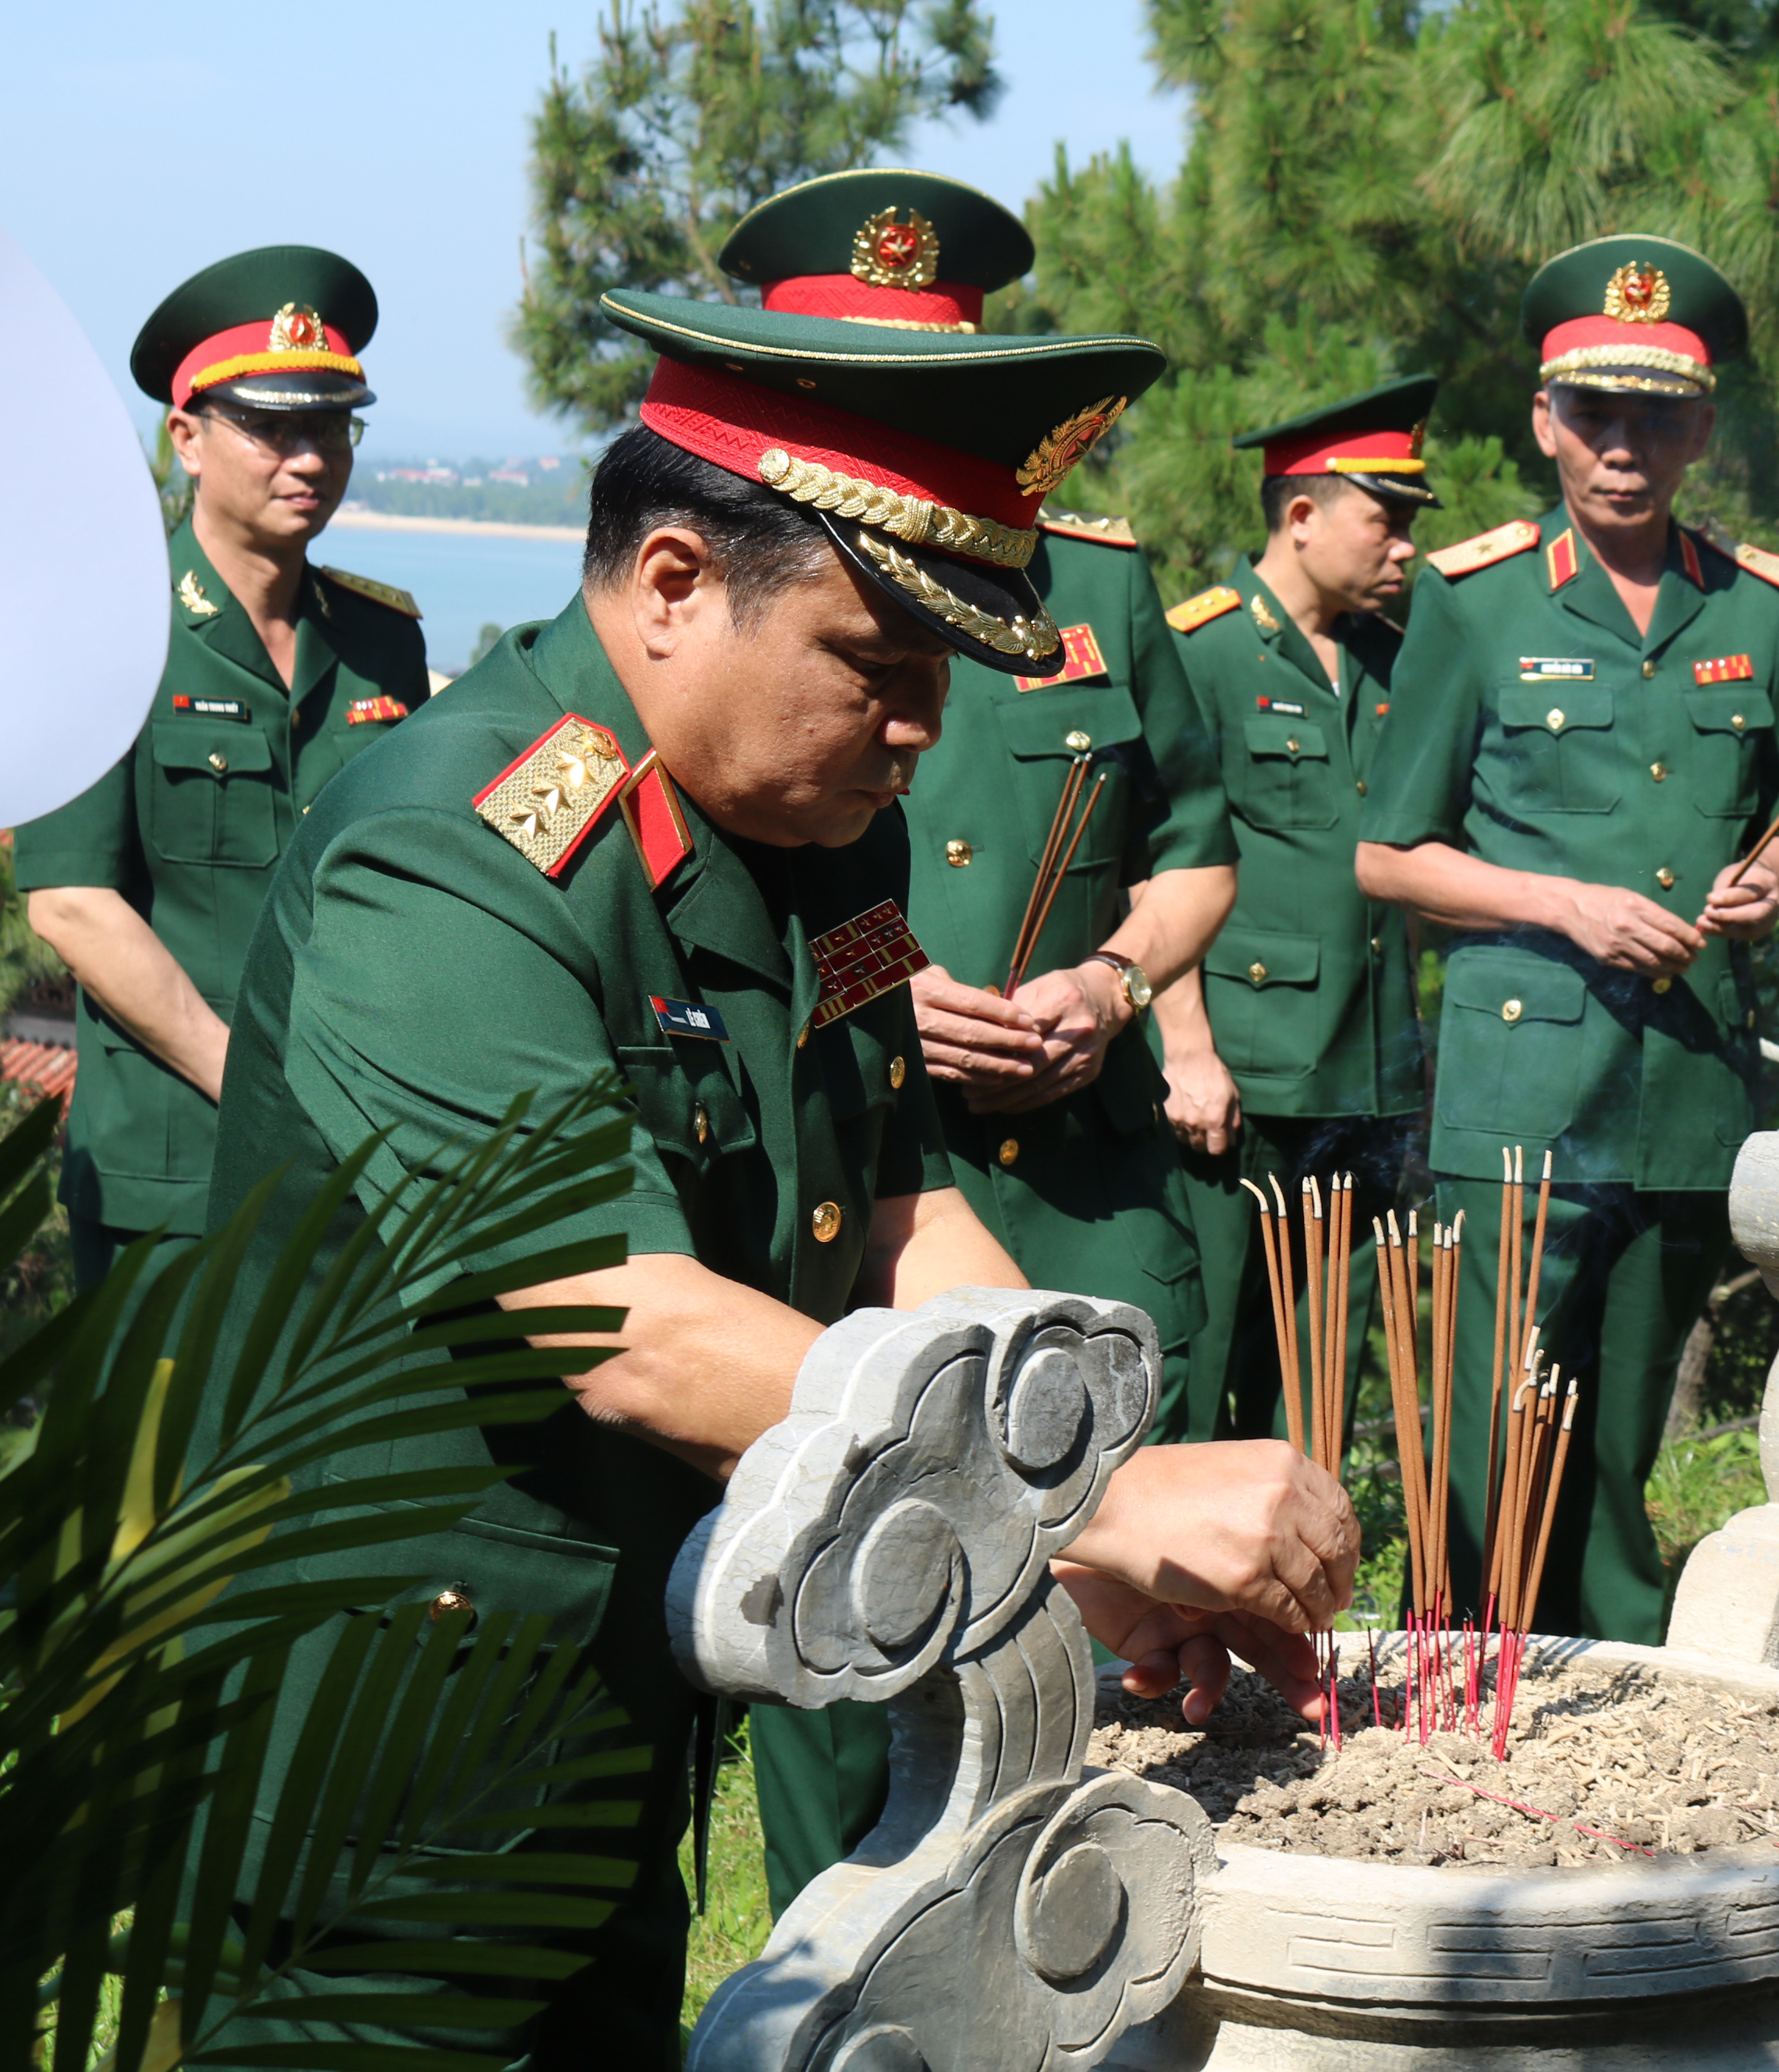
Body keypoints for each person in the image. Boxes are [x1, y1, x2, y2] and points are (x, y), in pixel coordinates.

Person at [194, 264, 1353, 2067]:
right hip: (389, 1727)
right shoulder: (452, 852)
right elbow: (615, 1314)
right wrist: (1082, 1504)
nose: (916, 734)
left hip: (621, 1674)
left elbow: (894, 1209)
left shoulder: (817, 844)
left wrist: (1083, 1495)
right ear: (671, 584)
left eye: (938, 684)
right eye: (872, 670)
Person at [698, 171, 1239, 1908]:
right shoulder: (691, 659)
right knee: (841, 1653)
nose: (918, 717)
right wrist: (888, 991)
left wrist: (1119, 986)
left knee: (1053, 1697)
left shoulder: (1097, 590)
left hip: (1048, 1198)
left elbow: (1198, 853)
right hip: (835, 1228)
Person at [1358, 235, 1779, 1643]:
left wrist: (1769, 876)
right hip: (1522, 1076)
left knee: (1625, 1414)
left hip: (1687, 1073)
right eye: (1596, 415)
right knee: (1495, 1407)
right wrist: (1564, 903)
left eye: (1658, 416)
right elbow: (1387, 854)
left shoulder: (1753, 603)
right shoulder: (1473, 598)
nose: (1626, 447)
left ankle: (1614, 1666)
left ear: (1703, 428)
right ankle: (1466, 1660)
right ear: (1544, 420)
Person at [19, 246, 427, 1286]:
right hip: (176, 1186)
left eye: (331, 425)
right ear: (188, 438)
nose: (308, 457)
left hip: (360, 1179)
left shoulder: (383, 643)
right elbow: (70, 903)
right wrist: (250, 1083)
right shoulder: (105, 629)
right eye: (273, 426)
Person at [1167, 376, 1436, 1446]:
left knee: (1321, 1395)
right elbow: (1160, 865)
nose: (1406, 548)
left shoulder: (1391, 661)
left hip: (1367, 1076)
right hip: (1244, 1080)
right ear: (1301, 516)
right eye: (1387, 520)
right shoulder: (1204, 650)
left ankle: (1292, 1613)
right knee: (1204, 1371)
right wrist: (1186, 1049)